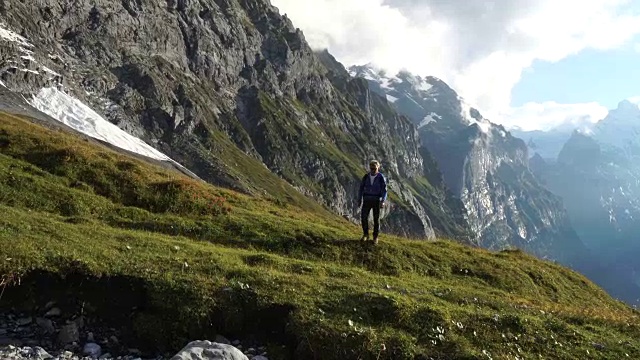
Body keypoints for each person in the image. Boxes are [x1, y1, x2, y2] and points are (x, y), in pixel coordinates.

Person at [357, 160, 387, 245]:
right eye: (371, 168)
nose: (373, 170)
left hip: (376, 200)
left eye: (374, 168)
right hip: (366, 199)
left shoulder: (381, 177)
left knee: (376, 219)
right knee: (363, 217)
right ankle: (365, 234)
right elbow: (361, 189)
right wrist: (359, 199)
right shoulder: (366, 176)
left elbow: (384, 190)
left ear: (378, 168)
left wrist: (383, 201)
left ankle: (375, 237)